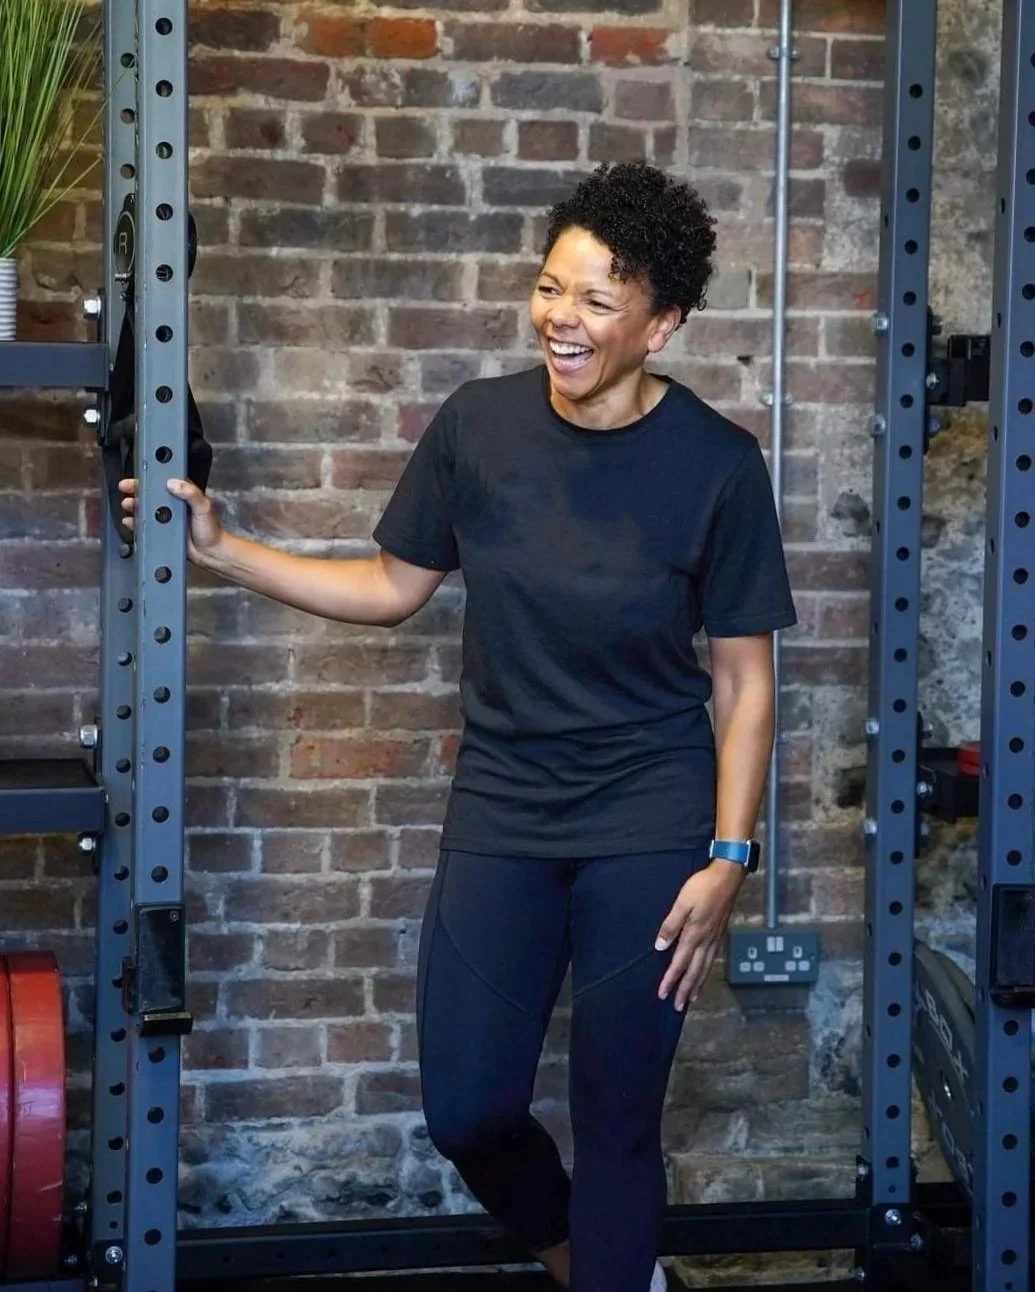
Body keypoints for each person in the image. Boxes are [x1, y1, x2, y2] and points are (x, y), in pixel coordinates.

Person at [120, 160, 796, 1292]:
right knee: (469, 1108)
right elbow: (392, 585)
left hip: (650, 817)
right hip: (504, 807)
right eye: (549, 288)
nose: (560, 318)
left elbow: (743, 681)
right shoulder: (479, 426)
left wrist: (729, 856)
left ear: (662, 323)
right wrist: (223, 550)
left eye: (596, 300)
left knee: (617, 1115)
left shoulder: (719, 465)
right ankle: (594, 1265)